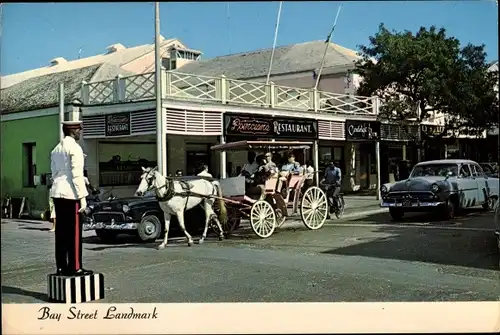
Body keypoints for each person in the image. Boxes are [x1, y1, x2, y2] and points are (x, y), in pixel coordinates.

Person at [50, 120, 92, 276]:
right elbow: (77, 175)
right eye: (79, 131)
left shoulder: (56, 149)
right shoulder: (75, 148)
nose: (80, 133)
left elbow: (54, 173)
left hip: (57, 192)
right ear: (73, 131)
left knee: (60, 233)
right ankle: (75, 267)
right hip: (71, 194)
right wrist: (83, 198)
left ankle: (61, 267)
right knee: (74, 234)